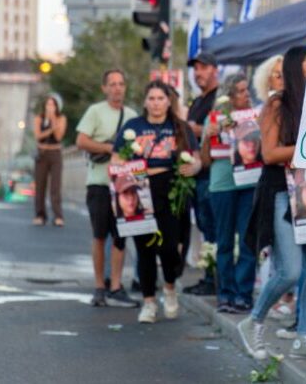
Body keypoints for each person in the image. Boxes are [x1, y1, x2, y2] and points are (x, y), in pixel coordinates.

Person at [239, 45, 306, 362]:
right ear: (296, 67)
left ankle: (304, 336)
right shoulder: (277, 104)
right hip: (281, 193)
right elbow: (269, 153)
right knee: (290, 271)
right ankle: (253, 321)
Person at [112, 79, 200, 324]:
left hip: (171, 193)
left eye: (160, 98)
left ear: (168, 101)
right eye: (151, 98)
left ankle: (170, 288)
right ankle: (149, 302)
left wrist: (193, 168)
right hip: (139, 192)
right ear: (144, 101)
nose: (156, 103)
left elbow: (196, 160)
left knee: (170, 248)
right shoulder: (133, 127)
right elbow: (116, 161)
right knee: (145, 250)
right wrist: (136, 171)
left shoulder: (180, 128)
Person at [76, 69, 138, 308]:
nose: (117, 88)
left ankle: (116, 287)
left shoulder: (132, 115)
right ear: (104, 88)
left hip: (124, 185)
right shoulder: (95, 111)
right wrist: (107, 148)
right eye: (112, 84)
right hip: (99, 183)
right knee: (100, 236)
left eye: (121, 84)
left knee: (121, 236)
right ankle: (99, 286)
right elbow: (81, 140)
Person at [201, 72, 258, 314]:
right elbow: (204, 161)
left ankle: (243, 294)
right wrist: (209, 134)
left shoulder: (255, 116)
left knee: (247, 241)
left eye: (247, 90)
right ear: (229, 96)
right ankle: (225, 293)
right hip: (223, 185)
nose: (247, 94)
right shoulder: (213, 118)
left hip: (249, 184)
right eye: (242, 91)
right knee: (224, 241)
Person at [183, 51, 219, 296]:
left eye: (203, 68)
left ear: (215, 70)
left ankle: (215, 277)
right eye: (195, 69)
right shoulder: (197, 101)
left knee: (214, 228)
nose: (198, 73)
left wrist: (197, 128)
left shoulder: (219, 99)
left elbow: (216, 128)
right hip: (196, 173)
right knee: (205, 226)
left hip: (213, 174)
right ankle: (208, 274)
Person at [33, 93, 67, 227]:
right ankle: (40, 215)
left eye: (53, 104)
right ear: (44, 106)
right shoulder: (39, 118)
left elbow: (58, 137)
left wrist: (53, 121)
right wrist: (50, 129)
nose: (50, 107)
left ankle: (58, 215)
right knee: (40, 185)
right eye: (48, 104)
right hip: (42, 153)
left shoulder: (61, 118)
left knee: (55, 186)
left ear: (57, 107)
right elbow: (38, 136)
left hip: (55, 153)